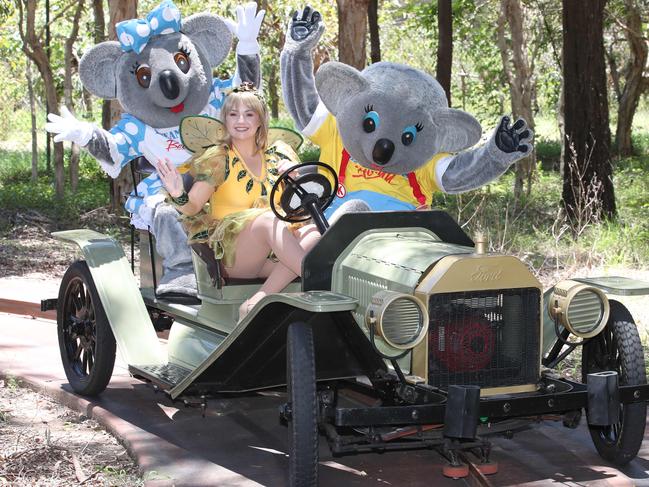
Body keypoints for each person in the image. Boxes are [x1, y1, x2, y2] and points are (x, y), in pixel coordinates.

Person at [156, 84, 319, 320]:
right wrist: (178, 192)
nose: (240, 120)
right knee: (267, 219)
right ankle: (320, 281)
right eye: (233, 114)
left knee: (315, 232)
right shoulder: (219, 158)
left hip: (275, 253)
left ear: (260, 120)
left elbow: (299, 211)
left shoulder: (278, 156)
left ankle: (258, 300)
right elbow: (192, 207)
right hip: (234, 255)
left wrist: (294, 179)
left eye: (249, 114)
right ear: (225, 119)